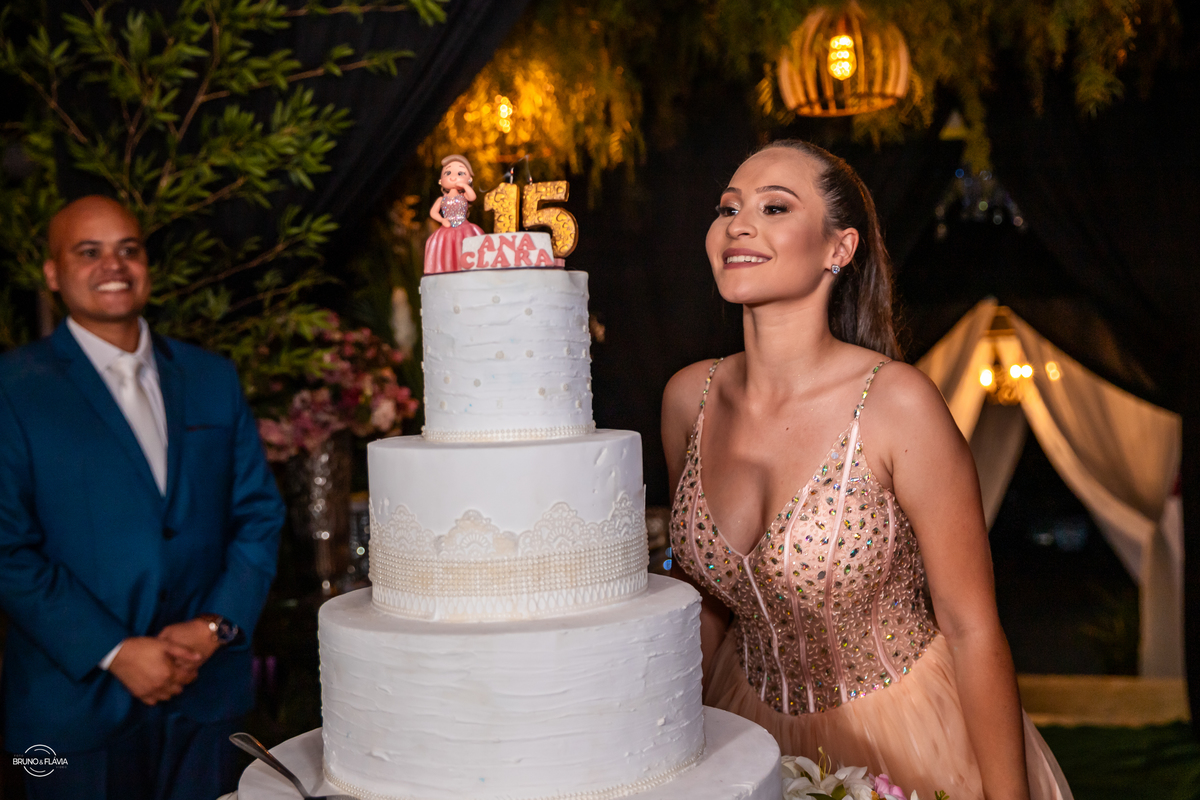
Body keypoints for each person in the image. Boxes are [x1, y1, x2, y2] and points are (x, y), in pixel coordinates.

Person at [663, 141, 1072, 800]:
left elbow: (971, 628)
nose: (738, 225)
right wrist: (667, 740)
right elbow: (703, 599)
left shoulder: (898, 404)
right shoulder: (689, 400)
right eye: (728, 208)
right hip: (742, 725)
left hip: (908, 733)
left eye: (774, 207)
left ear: (840, 247)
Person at [0, 196, 286, 799]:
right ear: (52, 272)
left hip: (206, 695)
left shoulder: (211, 377)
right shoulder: (13, 389)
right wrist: (114, 650)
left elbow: (259, 515)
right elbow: (7, 548)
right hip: (73, 706)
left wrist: (216, 624)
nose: (114, 265)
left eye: (128, 249)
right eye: (89, 252)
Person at [423, 153, 486, 274]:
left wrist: (464, 185)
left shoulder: (464, 195)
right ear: (441, 180)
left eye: (460, 173)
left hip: (464, 227)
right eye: (448, 173)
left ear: (469, 179)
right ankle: (447, 270)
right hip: (446, 229)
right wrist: (442, 220)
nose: (453, 177)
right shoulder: (442, 199)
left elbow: (472, 197)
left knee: (465, 243)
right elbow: (433, 212)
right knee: (445, 247)